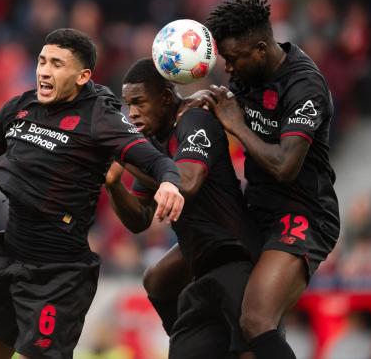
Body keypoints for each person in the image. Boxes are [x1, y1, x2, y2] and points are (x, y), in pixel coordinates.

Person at [0, 28, 185, 359]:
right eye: (42, 61)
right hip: (6, 257)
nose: (44, 71)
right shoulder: (21, 108)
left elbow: (154, 160)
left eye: (57, 64)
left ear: (82, 76)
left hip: (57, 274)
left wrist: (169, 181)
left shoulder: (100, 117)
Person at [199, 0, 340, 359]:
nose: (227, 69)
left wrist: (237, 125)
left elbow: (284, 165)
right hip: (255, 208)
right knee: (164, 280)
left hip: (303, 213)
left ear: (260, 49)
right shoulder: (250, 72)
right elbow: (228, 100)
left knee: (256, 321)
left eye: (232, 60)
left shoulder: (304, 86)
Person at [104, 58, 260, 358]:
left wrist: (125, 157)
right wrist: (113, 184)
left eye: (139, 102)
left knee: (249, 346)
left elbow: (186, 183)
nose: (132, 112)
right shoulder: (149, 142)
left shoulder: (194, 120)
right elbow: (139, 219)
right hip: (201, 254)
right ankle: (196, 334)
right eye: (128, 104)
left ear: (165, 97)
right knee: (156, 280)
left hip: (234, 247)